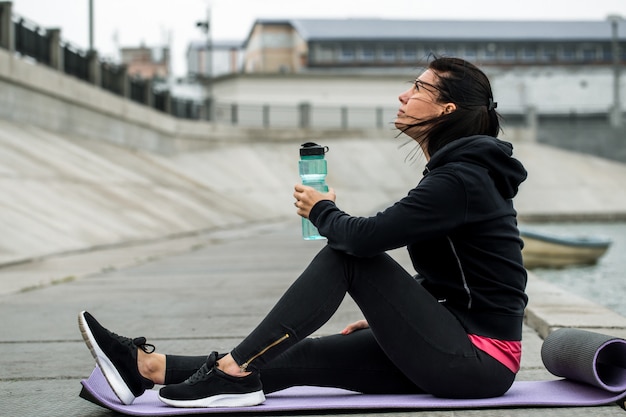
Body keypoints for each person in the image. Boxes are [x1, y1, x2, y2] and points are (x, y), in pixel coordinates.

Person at [78, 56, 528, 408]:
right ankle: (146, 368)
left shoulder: (462, 180)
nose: (402, 95)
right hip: (453, 343)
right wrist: (396, 314)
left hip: (479, 360)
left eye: (418, 88)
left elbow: (362, 239)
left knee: (347, 256)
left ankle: (233, 372)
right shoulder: (457, 175)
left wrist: (322, 209)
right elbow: (460, 274)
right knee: (298, 355)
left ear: (447, 109)